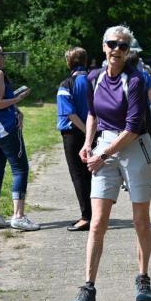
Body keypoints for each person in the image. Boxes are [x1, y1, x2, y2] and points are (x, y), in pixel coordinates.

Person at [70, 25, 151, 301]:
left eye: (123, 46)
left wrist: (102, 155)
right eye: (112, 44)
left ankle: (143, 279)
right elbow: (92, 113)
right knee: (97, 223)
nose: (117, 50)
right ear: (103, 46)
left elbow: (131, 128)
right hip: (104, 146)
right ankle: (88, 287)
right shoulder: (94, 78)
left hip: (133, 147)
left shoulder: (136, 80)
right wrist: (87, 143)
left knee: (140, 220)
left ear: (128, 51)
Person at [0, 44, 40, 231]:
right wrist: (17, 99)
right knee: (20, 169)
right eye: (1, 53)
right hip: (4, 130)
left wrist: (15, 109)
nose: (4, 56)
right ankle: (18, 217)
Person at [57, 47, 95, 231]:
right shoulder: (95, 80)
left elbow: (69, 114)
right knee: (93, 174)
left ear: (68, 63)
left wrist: (86, 131)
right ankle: (96, 213)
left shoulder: (66, 84)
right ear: (85, 61)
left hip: (73, 134)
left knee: (78, 175)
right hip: (95, 132)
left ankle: (86, 216)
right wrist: (92, 133)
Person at [125, 51, 151, 191]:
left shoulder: (121, 75)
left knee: (126, 147)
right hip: (144, 116)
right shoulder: (144, 75)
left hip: (125, 116)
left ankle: (127, 180)